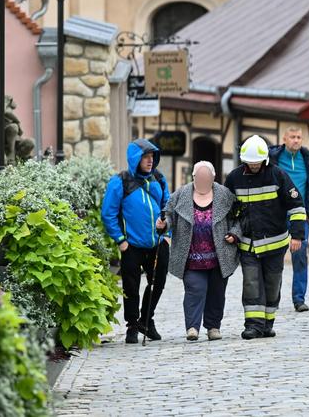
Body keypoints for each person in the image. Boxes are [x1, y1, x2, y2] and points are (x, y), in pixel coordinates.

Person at [224, 135, 306, 340]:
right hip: (248, 244)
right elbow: (226, 209)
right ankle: (253, 325)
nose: (253, 166)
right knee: (251, 283)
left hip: (275, 244)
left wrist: (297, 236)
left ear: (264, 160)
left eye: (256, 162)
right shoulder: (234, 178)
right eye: (250, 163)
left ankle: (268, 323)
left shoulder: (278, 175)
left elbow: (296, 207)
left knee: (272, 284)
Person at [157, 161, 240, 341]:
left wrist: (235, 233)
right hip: (191, 257)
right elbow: (169, 215)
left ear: (213, 178)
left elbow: (238, 218)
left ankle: (213, 327)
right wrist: (164, 224)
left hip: (219, 256)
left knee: (216, 293)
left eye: (207, 177)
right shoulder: (181, 195)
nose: (203, 181)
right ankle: (192, 327)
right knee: (195, 289)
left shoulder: (225, 195)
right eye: (199, 177)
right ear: (194, 177)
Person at [102, 139, 170, 344]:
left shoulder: (158, 178)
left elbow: (167, 205)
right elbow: (108, 213)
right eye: (145, 157)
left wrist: (166, 231)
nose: (150, 161)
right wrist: (120, 240)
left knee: (158, 282)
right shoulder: (120, 181)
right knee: (131, 287)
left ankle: (146, 319)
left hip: (157, 242)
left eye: (152, 157)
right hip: (131, 244)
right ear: (135, 159)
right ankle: (132, 325)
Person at [269, 126, 309, 312]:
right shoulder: (273, 158)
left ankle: (299, 299)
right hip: (277, 214)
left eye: (299, 137)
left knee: (300, 254)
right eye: (292, 137)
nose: (296, 140)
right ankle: (273, 297)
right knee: (275, 256)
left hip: (300, 214)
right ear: (284, 138)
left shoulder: (308, 159)